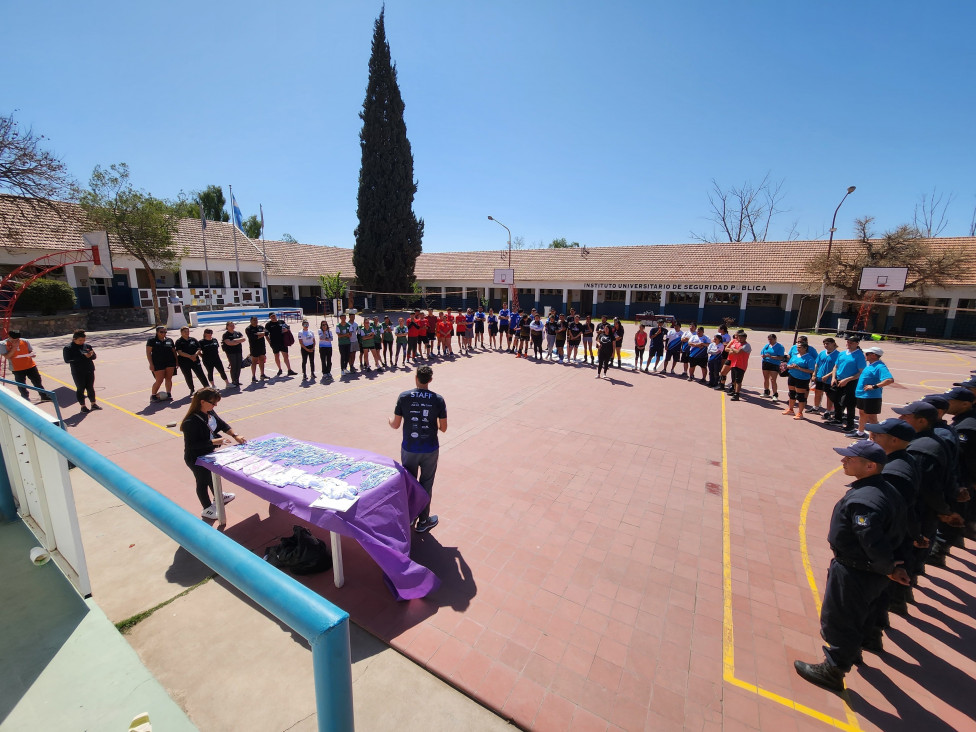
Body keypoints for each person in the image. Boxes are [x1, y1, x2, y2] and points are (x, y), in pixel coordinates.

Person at [793, 440, 908, 692]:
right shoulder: (886, 490)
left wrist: (887, 567)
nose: (843, 461)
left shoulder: (865, 501)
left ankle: (833, 669)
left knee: (841, 618)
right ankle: (861, 646)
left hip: (856, 570)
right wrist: (891, 567)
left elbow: (872, 541)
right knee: (863, 613)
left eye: (849, 459)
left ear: (870, 466)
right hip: (873, 571)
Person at [389, 365, 447, 533]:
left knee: (409, 483)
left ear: (416, 378)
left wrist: (388, 419)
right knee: (426, 483)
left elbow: (395, 424)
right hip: (430, 448)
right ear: (430, 380)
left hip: (409, 448)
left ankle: (409, 517)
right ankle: (424, 520)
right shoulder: (438, 399)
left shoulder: (404, 397)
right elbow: (443, 428)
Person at [180, 387, 244, 520]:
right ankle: (207, 508)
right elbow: (192, 445)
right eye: (213, 403)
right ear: (202, 402)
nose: (215, 405)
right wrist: (214, 442)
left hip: (208, 454)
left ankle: (218, 496)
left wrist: (235, 435)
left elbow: (222, 425)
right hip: (195, 457)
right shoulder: (190, 422)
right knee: (202, 481)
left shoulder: (210, 412)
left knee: (212, 477)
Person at [848, 347, 894, 438]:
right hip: (863, 395)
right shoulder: (870, 365)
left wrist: (874, 387)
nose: (865, 355)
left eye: (867, 354)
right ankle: (860, 433)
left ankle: (874, 438)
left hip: (871, 397)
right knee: (862, 413)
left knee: (872, 418)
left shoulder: (880, 366)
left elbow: (889, 380)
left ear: (873, 355)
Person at [828, 336, 866, 433]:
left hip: (851, 382)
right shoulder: (842, 353)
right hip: (838, 380)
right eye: (848, 342)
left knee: (849, 403)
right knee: (836, 400)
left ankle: (850, 424)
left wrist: (848, 379)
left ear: (857, 343)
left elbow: (861, 372)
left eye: (851, 342)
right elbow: (835, 366)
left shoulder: (859, 356)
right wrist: (833, 378)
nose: (849, 344)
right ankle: (838, 419)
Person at [63, 330, 100, 412]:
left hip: (89, 369)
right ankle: (83, 406)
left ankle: (93, 404)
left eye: (83, 340)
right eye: (80, 340)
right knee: (80, 388)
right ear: (74, 339)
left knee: (90, 387)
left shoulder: (87, 346)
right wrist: (83, 357)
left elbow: (94, 357)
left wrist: (91, 354)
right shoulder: (68, 348)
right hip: (78, 371)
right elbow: (67, 360)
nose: (82, 342)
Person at [781, 341, 816, 420]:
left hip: (802, 379)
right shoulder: (795, 356)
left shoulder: (809, 358)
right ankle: (790, 409)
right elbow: (788, 365)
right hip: (792, 376)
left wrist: (799, 368)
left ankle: (800, 413)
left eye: (800, 347)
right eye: (797, 347)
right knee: (792, 394)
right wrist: (791, 366)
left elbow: (811, 370)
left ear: (805, 348)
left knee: (800, 396)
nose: (798, 349)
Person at [146, 325, 177, 401]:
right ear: (157, 332)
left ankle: (169, 393)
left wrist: (177, 362)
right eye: (161, 332)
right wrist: (151, 364)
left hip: (170, 362)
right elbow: (148, 353)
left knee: (169, 378)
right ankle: (153, 396)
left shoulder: (169, 340)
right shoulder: (152, 340)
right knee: (159, 380)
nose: (164, 333)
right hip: (158, 363)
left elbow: (174, 351)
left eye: (165, 332)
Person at [175, 326, 210, 393]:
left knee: (200, 374)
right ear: (181, 332)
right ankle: (192, 389)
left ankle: (207, 387)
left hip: (195, 360)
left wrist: (195, 355)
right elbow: (180, 352)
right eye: (185, 331)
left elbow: (199, 348)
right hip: (184, 362)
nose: (187, 333)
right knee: (188, 376)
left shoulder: (193, 339)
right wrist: (190, 356)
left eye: (188, 331)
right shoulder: (179, 341)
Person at [812, 338, 840, 417]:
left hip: (829, 379)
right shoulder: (822, 353)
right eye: (824, 344)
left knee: (829, 396)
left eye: (827, 344)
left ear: (833, 343)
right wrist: (814, 374)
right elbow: (817, 364)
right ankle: (816, 407)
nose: (825, 345)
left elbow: (837, 367)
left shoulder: (838, 355)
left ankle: (828, 411)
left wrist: (828, 375)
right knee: (817, 392)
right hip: (819, 377)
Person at [265, 312, 297, 377]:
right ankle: (279, 369)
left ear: (276, 316)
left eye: (274, 316)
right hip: (274, 343)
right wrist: (270, 342)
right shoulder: (268, 324)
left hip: (283, 342)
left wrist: (286, 330)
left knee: (286, 356)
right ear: (270, 318)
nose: (273, 317)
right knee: (277, 356)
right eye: (272, 316)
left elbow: (288, 328)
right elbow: (266, 335)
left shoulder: (281, 322)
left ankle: (289, 370)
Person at [725, 331, 752, 402]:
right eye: (739, 337)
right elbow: (729, 350)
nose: (740, 338)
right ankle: (734, 390)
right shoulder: (737, 343)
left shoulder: (746, 345)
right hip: (734, 364)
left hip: (741, 365)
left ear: (745, 338)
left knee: (738, 381)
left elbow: (738, 352)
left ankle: (737, 394)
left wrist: (732, 349)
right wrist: (733, 349)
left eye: (741, 337)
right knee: (733, 380)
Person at [760, 333, 786, 402]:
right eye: (769, 339)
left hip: (774, 364)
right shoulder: (767, 346)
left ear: (775, 339)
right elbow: (762, 353)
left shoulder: (780, 347)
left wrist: (771, 357)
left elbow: (780, 357)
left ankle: (775, 394)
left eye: (771, 339)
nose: (770, 341)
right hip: (766, 363)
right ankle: (766, 391)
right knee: (766, 378)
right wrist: (763, 356)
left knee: (773, 379)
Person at [221, 321, 246, 387]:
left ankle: (237, 380)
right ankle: (233, 380)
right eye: (230, 325)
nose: (232, 326)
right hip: (231, 353)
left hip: (238, 351)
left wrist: (234, 341)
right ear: (227, 327)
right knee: (233, 366)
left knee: (238, 366)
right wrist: (237, 341)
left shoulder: (237, 333)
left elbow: (243, 339)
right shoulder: (226, 334)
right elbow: (229, 343)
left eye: (233, 325)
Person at [244, 316, 269, 382]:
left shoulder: (260, 327)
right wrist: (262, 334)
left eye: (256, 320)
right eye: (254, 320)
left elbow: (267, 332)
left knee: (262, 360)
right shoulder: (248, 329)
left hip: (262, 346)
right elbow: (253, 337)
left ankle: (262, 374)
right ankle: (253, 376)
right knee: (254, 361)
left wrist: (259, 334)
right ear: (251, 321)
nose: (256, 321)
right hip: (254, 347)